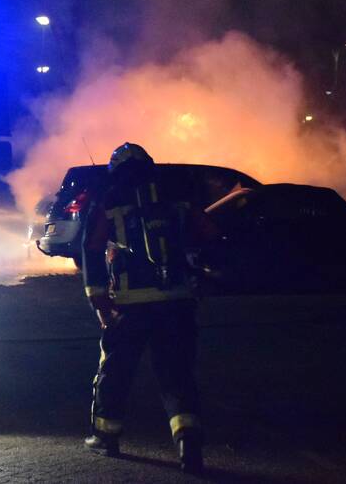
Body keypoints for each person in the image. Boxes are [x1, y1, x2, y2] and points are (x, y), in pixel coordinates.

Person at [81, 142, 205, 474]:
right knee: (177, 375)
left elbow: (91, 249)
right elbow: (204, 233)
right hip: (176, 300)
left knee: (116, 372)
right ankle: (188, 445)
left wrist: (98, 300)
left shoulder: (109, 198)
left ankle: (105, 436)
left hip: (129, 306)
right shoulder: (173, 193)